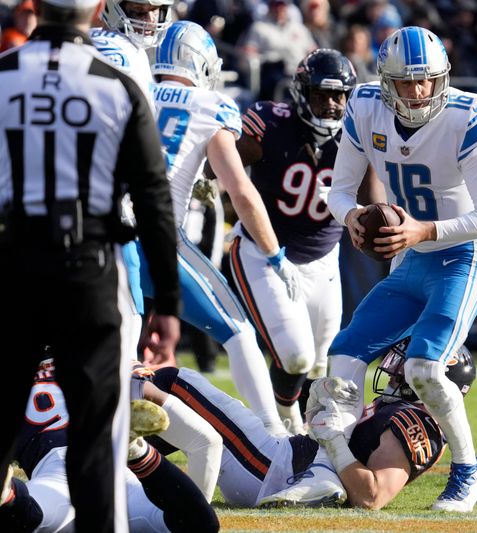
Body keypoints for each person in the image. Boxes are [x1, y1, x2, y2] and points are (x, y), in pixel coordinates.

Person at [0, 0, 181, 529]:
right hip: (90, 269)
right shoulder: (116, 85)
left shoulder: (5, 77)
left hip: (15, 264)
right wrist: (166, 301)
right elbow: (153, 197)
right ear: (97, 10)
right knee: (96, 446)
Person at [325, 26, 477, 512]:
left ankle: (469, 474)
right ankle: (334, 459)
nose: (419, 91)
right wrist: (354, 217)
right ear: (386, 82)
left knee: (424, 367)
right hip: (412, 259)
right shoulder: (364, 107)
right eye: (407, 82)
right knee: (341, 360)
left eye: (428, 80)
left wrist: (423, 231)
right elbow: (338, 190)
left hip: (464, 256)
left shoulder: (465, 116)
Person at [144, 20, 290, 435]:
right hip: (158, 234)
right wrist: (274, 253)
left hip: (104, 235)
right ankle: (272, 438)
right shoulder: (212, 105)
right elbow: (241, 191)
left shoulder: (131, 88)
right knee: (239, 331)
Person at [138, 341, 476, 510]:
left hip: (275, 468)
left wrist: (333, 440)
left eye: (404, 364)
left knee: (174, 381)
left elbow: (371, 495)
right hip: (286, 460)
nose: (394, 369)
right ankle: (126, 473)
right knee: (187, 409)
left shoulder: (418, 423)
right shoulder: (397, 410)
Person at [230, 48, 359, 434]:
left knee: (321, 364)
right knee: (296, 356)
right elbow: (225, 163)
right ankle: (280, 426)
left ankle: (308, 440)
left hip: (323, 258)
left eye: (339, 96)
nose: (332, 105)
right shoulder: (273, 122)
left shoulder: (356, 135)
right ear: (302, 92)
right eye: (322, 94)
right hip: (266, 252)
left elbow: (377, 198)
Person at [0, 359, 219, 533]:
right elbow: (207, 439)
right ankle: (135, 449)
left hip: (58, 471)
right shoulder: (103, 354)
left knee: (24, 515)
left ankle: (8, 492)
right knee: (201, 524)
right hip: (113, 466)